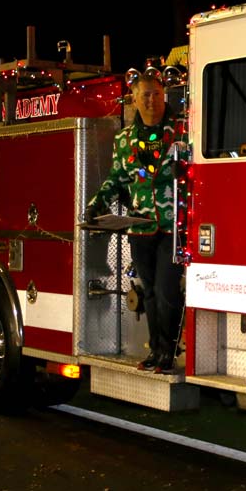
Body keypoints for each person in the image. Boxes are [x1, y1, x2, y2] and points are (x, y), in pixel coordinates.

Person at [85, 72, 185, 373]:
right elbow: (116, 179)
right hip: (139, 226)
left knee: (168, 290)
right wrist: (95, 206)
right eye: (146, 95)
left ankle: (169, 349)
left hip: (171, 226)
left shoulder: (182, 131)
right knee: (150, 291)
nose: (152, 100)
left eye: (156, 94)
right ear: (134, 100)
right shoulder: (125, 139)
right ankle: (156, 350)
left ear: (164, 95)